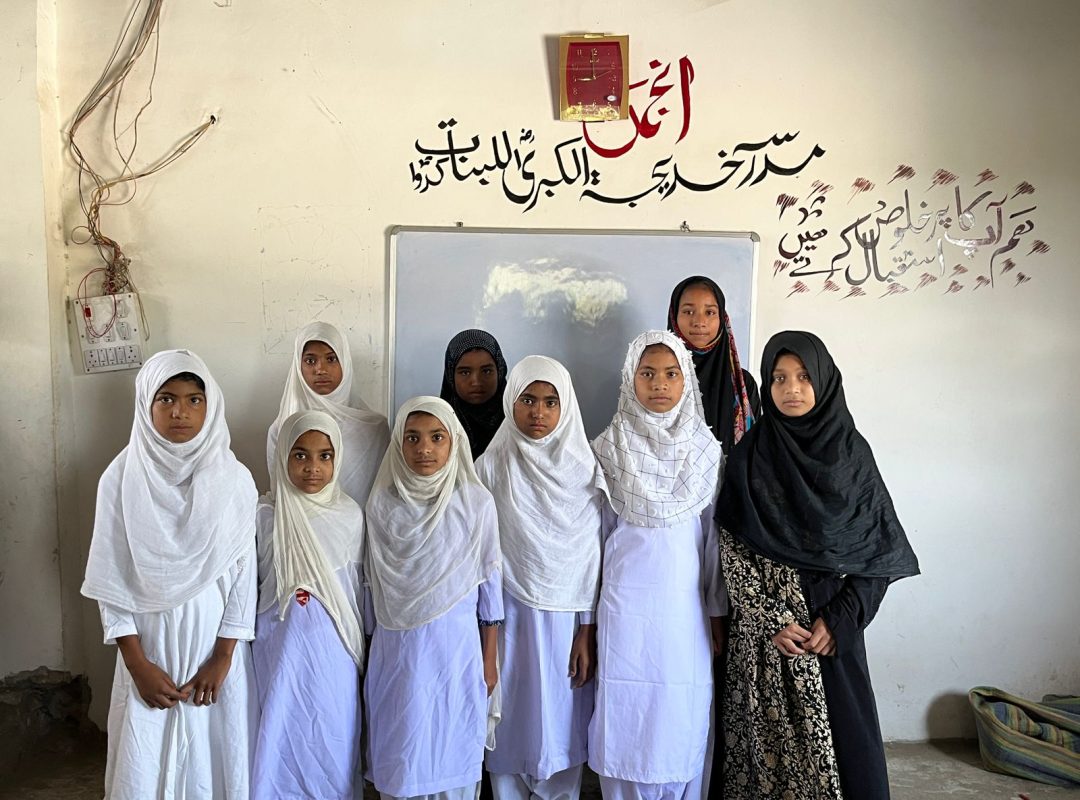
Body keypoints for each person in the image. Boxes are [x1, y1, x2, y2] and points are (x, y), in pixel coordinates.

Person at [716, 331, 920, 800]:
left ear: (824, 381)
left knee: (846, 746)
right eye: (779, 378)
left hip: (828, 625)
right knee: (765, 753)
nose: (791, 388)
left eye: (804, 377)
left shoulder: (851, 454)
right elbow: (730, 544)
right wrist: (769, 618)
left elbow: (878, 551)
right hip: (765, 635)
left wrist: (841, 618)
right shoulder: (750, 455)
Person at [81, 349, 258, 799]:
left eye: (194, 399)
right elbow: (110, 578)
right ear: (146, 404)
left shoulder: (235, 480)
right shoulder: (119, 479)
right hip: (147, 651)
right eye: (166, 399)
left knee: (213, 756)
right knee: (145, 760)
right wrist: (137, 664)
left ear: (210, 405)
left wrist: (223, 657)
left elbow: (243, 575)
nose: (180, 412)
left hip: (212, 654)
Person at [589, 330, 727, 800]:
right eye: (647, 373)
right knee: (626, 702)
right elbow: (598, 537)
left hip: (684, 610)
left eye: (671, 373)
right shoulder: (607, 449)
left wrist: (716, 610)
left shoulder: (706, 451)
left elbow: (712, 540)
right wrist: (587, 619)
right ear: (631, 378)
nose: (659, 384)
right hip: (624, 605)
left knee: (679, 705)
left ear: (687, 380)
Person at [476, 356, 603, 800]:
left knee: (560, 726)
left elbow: (593, 556)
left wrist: (587, 630)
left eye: (551, 402)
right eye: (528, 399)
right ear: (511, 400)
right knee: (510, 717)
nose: (538, 412)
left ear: (565, 406)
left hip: (567, 622)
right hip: (506, 616)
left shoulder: (585, 470)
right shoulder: (489, 468)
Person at [364, 396, 503, 800]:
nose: (424, 448)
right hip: (397, 654)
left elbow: (490, 585)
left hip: (455, 653)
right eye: (412, 438)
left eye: (436, 437)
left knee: (451, 751)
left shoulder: (475, 503)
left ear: (454, 441)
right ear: (398, 443)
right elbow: (372, 586)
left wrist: (489, 660)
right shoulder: (382, 504)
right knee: (402, 754)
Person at [252, 410, 366, 799]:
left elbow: (356, 589)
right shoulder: (265, 514)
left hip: (335, 652)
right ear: (282, 456)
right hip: (278, 649)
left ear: (337, 459)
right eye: (300, 455)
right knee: (278, 733)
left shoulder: (350, 515)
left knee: (331, 735)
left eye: (324, 456)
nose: (313, 467)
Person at [267, 321, 389, 506]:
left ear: (345, 362)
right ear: (298, 366)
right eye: (310, 361)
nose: (320, 369)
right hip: (298, 521)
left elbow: (381, 496)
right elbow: (280, 494)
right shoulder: (282, 428)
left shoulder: (374, 429)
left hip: (359, 523)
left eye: (331, 359)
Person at [667, 275, 759, 452]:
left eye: (709, 312)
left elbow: (755, 450)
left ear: (722, 319)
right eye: (688, 311)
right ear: (674, 316)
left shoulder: (743, 385)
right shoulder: (659, 381)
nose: (699, 322)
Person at [440, 329, 508, 460]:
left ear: (499, 371)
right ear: (450, 375)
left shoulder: (520, 422)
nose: (476, 382)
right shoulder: (437, 426)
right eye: (465, 372)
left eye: (486, 371)